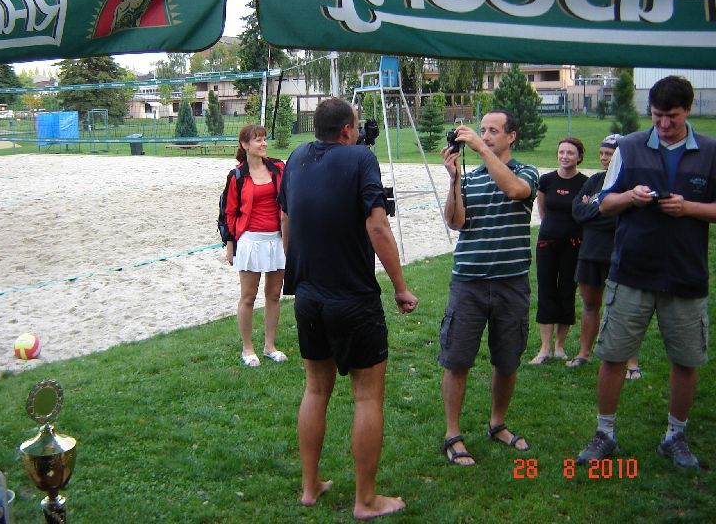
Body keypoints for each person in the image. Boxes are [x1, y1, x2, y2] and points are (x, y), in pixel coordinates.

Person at [278, 97, 418, 519]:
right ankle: (366, 500)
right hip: (353, 298)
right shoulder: (361, 159)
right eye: (356, 125)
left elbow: (286, 220)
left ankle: (310, 487)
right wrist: (401, 287)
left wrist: (298, 272)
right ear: (346, 130)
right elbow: (377, 225)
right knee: (367, 396)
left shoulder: (296, 158)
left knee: (315, 390)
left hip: (308, 296)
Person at [576, 76, 716, 469]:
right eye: (657, 116)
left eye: (672, 117)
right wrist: (630, 197)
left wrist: (689, 208)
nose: (664, 125)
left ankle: (675, 435)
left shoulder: (710, 152)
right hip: (631, 273)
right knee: (613, 355)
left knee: (686, 360)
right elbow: (604, 203)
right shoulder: (630, 147)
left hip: (685, 275)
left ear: (688, 110)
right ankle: (604, 433)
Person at [438, 110, 539, 466]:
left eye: (493, 131)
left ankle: (497, 424)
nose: (485, 136)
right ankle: (453, 434)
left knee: (507, 360)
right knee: (457, 360)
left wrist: (481, 150)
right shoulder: (472, 177)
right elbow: (455, 221)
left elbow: (515, 191)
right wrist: (454, 180)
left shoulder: (526, 172)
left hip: (511, 282)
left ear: (511, 137)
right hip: (469, 283)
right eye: (483, 130)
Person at [566, 134, 641, 377]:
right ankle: (584, 353)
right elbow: (577, 211)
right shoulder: (596, 180)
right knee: (590, 305)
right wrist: (601, 210)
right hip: (590, 252)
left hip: (619, 254)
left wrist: (595, 209)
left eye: (609, 154)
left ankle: (631, 363)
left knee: (623, 309)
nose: (603, 158)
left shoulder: (630, 185)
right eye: (601, 153)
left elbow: (619, 219)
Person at [224, 124, 287, 367]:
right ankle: (247, 349)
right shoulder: (237, 176)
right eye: (258, 140)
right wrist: (230, 246)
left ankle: (270, 346)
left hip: (277, 239)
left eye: (264, 139)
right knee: (248, 297)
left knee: (274, 295)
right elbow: (229, 212)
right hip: (250, 240)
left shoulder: (278, 168)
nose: (264, 144)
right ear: (245, 145)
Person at [529, 138, 588, 364]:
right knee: (546, 291)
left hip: (573, 244)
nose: (565, 156)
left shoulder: (585, 183)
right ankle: (544, 348)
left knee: (567, 290)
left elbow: (585, 212)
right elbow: (542, 210)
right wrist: (552, 229)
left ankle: (559, 346)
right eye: (561, 152)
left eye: (570, 153)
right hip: (547, 243)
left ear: (579, 157)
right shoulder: (546, 180)